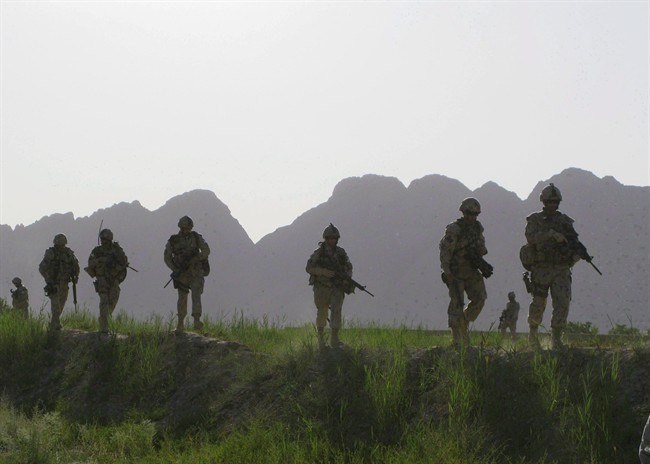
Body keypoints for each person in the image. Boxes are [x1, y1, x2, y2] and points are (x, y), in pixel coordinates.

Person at [522, 183, 585, 350]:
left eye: (555, 202)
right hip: (541, 268)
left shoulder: (565, 221)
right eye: (549, 201)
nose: (552, 205)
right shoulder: (534, 220)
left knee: (562, 302)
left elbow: (573, 241)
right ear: (543, 201)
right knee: (539, 303)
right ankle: (533, 336)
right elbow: (530, 238)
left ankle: (556, 339)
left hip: (561, 268)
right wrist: (550, 234)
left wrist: (577, 253)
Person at [439, 198, 491, 348]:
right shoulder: (454, 229)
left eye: (475, 214)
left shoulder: (477, 229)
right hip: (456, 272)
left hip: (471, 270)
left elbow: (482, 248)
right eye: (469, 213)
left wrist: (479, 253)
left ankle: (464, 322)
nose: (472, 217)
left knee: (480, 298)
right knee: (457, 304)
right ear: (463, 212)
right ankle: (457, 339)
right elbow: (445, 251)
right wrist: (447, 271)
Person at [306, 223, 353, 349]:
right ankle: (321, 340)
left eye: (334, 238)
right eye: (329, 238)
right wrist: (323, 272)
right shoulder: (319, 253)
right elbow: (309, 268)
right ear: (326, 239)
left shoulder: (341, 253)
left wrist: (346, 278)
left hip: (336, 287)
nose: (332, 240)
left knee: (336, 311)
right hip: (321, 287)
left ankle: (334, 339)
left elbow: (349, 267)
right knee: (322, 312)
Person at [164, 216, 210, 333]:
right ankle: (180, 324)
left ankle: (197, 321)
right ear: (181, 228)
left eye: (189, 228)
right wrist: (175, 268)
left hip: (195, 271)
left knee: (196, 294)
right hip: (182, 273)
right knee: (182, 298)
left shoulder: (196, 237)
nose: (187, 230)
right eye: (185, 228)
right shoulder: (173, 241)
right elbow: (167, 257)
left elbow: (206, 250)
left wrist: (196, 259)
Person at [85, 229, 128, 334]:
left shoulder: (117, 250)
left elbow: (124, 262)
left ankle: (105, 318)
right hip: (102, 279)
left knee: (113, 300)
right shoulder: (97, 251)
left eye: (105, 239)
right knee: (104, 301)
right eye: (102, 239)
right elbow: (90, 263)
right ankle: (104, 326)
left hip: (114, 279)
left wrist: (116, 269)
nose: (103, 241)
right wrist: (100, 260)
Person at [39, 233, 80, 330]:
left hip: (65, 283)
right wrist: (49, 280)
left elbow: (76, 266)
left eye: (62, 245)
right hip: (54, 284)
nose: (61, 247)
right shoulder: (51, 253)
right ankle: (55, 325)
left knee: (62, 302)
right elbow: (42, 268)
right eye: (59, 245)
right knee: (55, 304)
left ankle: (54, 323)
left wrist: (75, 276)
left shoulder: (69, 253)